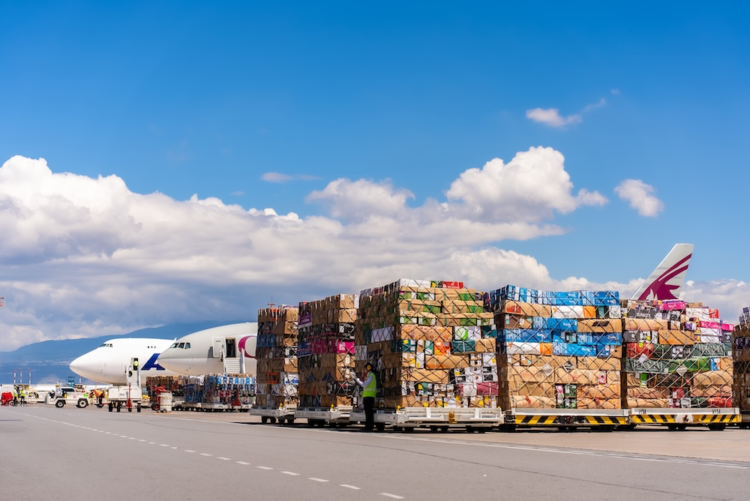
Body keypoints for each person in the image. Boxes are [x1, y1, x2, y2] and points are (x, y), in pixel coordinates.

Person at [354, 363, 377, 432]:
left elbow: (365, 385)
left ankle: (369, 426)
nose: (364, 370)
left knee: (369, 412)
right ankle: (368, 425)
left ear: (368, 368)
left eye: (365, 369)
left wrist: (357, 380)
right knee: (367, 412)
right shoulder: (369, 375)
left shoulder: (371, 376)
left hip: (369, 396)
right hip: (367, 396)